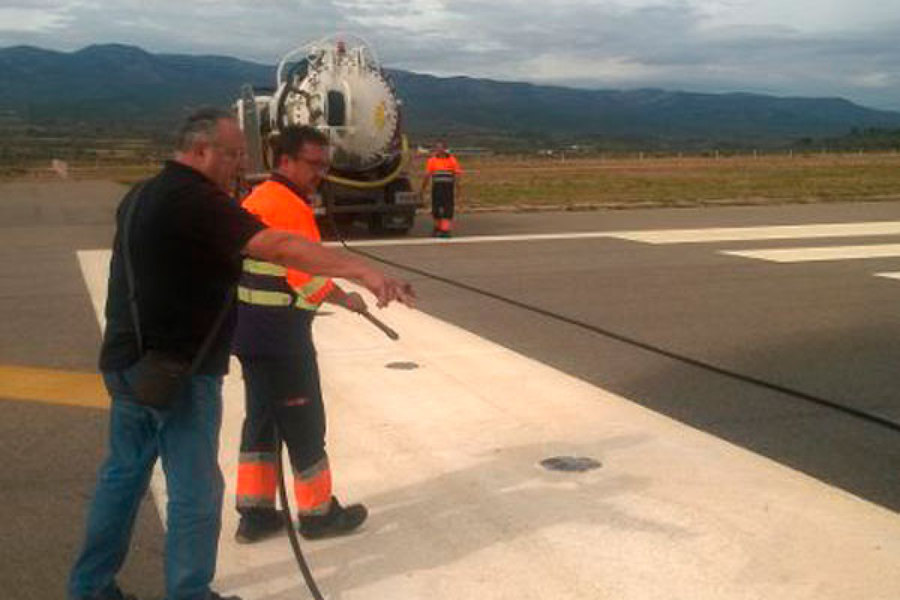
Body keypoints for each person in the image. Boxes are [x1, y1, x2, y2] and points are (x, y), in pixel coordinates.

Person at [68, 108, 414, 600]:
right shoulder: (197, 201)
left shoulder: (141, 194)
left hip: (128, 363)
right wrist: (362, 271)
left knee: (122, 479)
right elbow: (276, 246)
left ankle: (90, 588)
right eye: (232, 155)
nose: (238, 165)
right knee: (197, 491)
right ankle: (190, 593)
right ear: (200, 150)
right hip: (178, 371)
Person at [231, 125, 370, 544]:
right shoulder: (288, 207)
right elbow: (304, 274)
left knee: (262, 422)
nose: (320, 174)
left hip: (252, 335)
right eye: (313, 164)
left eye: (325, 165)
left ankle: (254, 514)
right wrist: (345, 296)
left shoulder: (257, 199)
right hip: (282, 340)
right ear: (285, 160)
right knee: (305, 422)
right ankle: (317, 514)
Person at [419, 141, 463, 237]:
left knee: (448, 208)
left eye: (441, 147)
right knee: (436, 207)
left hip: (448, 188)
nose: (439, 150)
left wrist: (458, 188)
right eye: (437, 148)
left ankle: (445, 230)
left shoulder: (452, 160)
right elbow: (427, 175)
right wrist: (423, 188)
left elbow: (456, 175)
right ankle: (437, 227)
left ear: (445, 149)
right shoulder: (432, 160)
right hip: (437, 187)